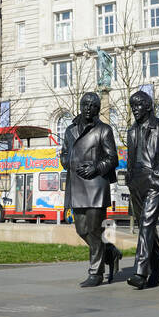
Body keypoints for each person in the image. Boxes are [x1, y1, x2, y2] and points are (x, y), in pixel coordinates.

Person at [59, 92, 122, 288]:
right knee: (81, 230)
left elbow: (112, 158)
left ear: (97, 109)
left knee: (94, 231)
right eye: (85, 104)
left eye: (92, 105)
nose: (88, 108)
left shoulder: (104, 130)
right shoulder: (70, 131)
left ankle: (96, 273)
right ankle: (110, 252)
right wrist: (66, 161)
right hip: (76, 185)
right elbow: (65, 153)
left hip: (96, 185)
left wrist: (96, 167)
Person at [124, 90, 159, 290]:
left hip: (153, 181)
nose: (135, 110)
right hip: (136, 183)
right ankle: (156, 265)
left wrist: (157, 175)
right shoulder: (131, 131)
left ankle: (140, 272)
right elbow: (130, 159)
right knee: (147, 228)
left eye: (138, 105)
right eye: (132, 106)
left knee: (146, 225)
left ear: (148, 106)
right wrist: (129, 179)